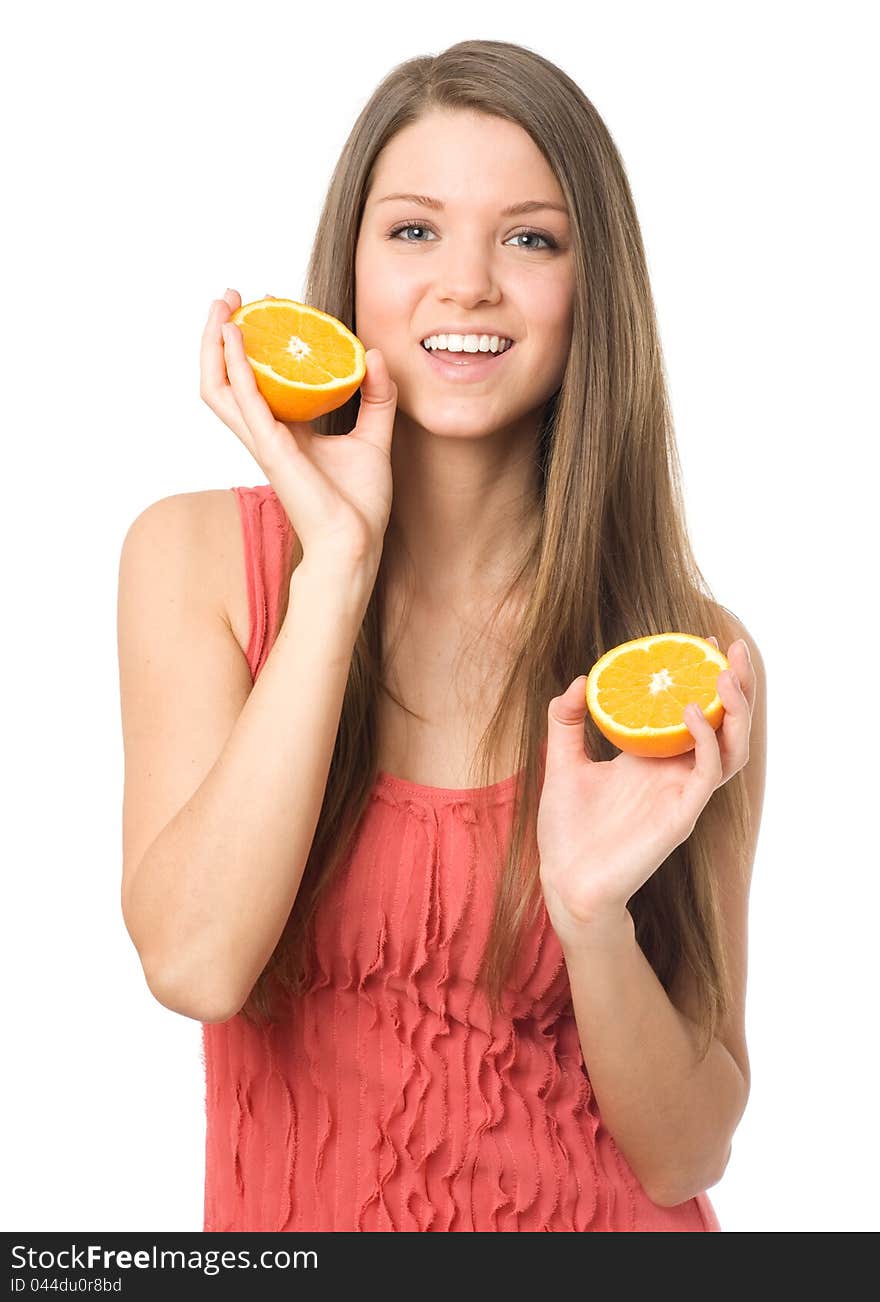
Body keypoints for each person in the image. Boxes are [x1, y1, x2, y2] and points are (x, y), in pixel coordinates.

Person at [117, 39, 766, 1233]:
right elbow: (195, 963)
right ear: (350, 271)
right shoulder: (198, 562)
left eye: (530, 237)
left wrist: (589, 919)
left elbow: (684, 1154)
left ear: (592, 287)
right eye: (414, 230)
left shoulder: (677, 660)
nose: (466, 283)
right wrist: (340, 570)